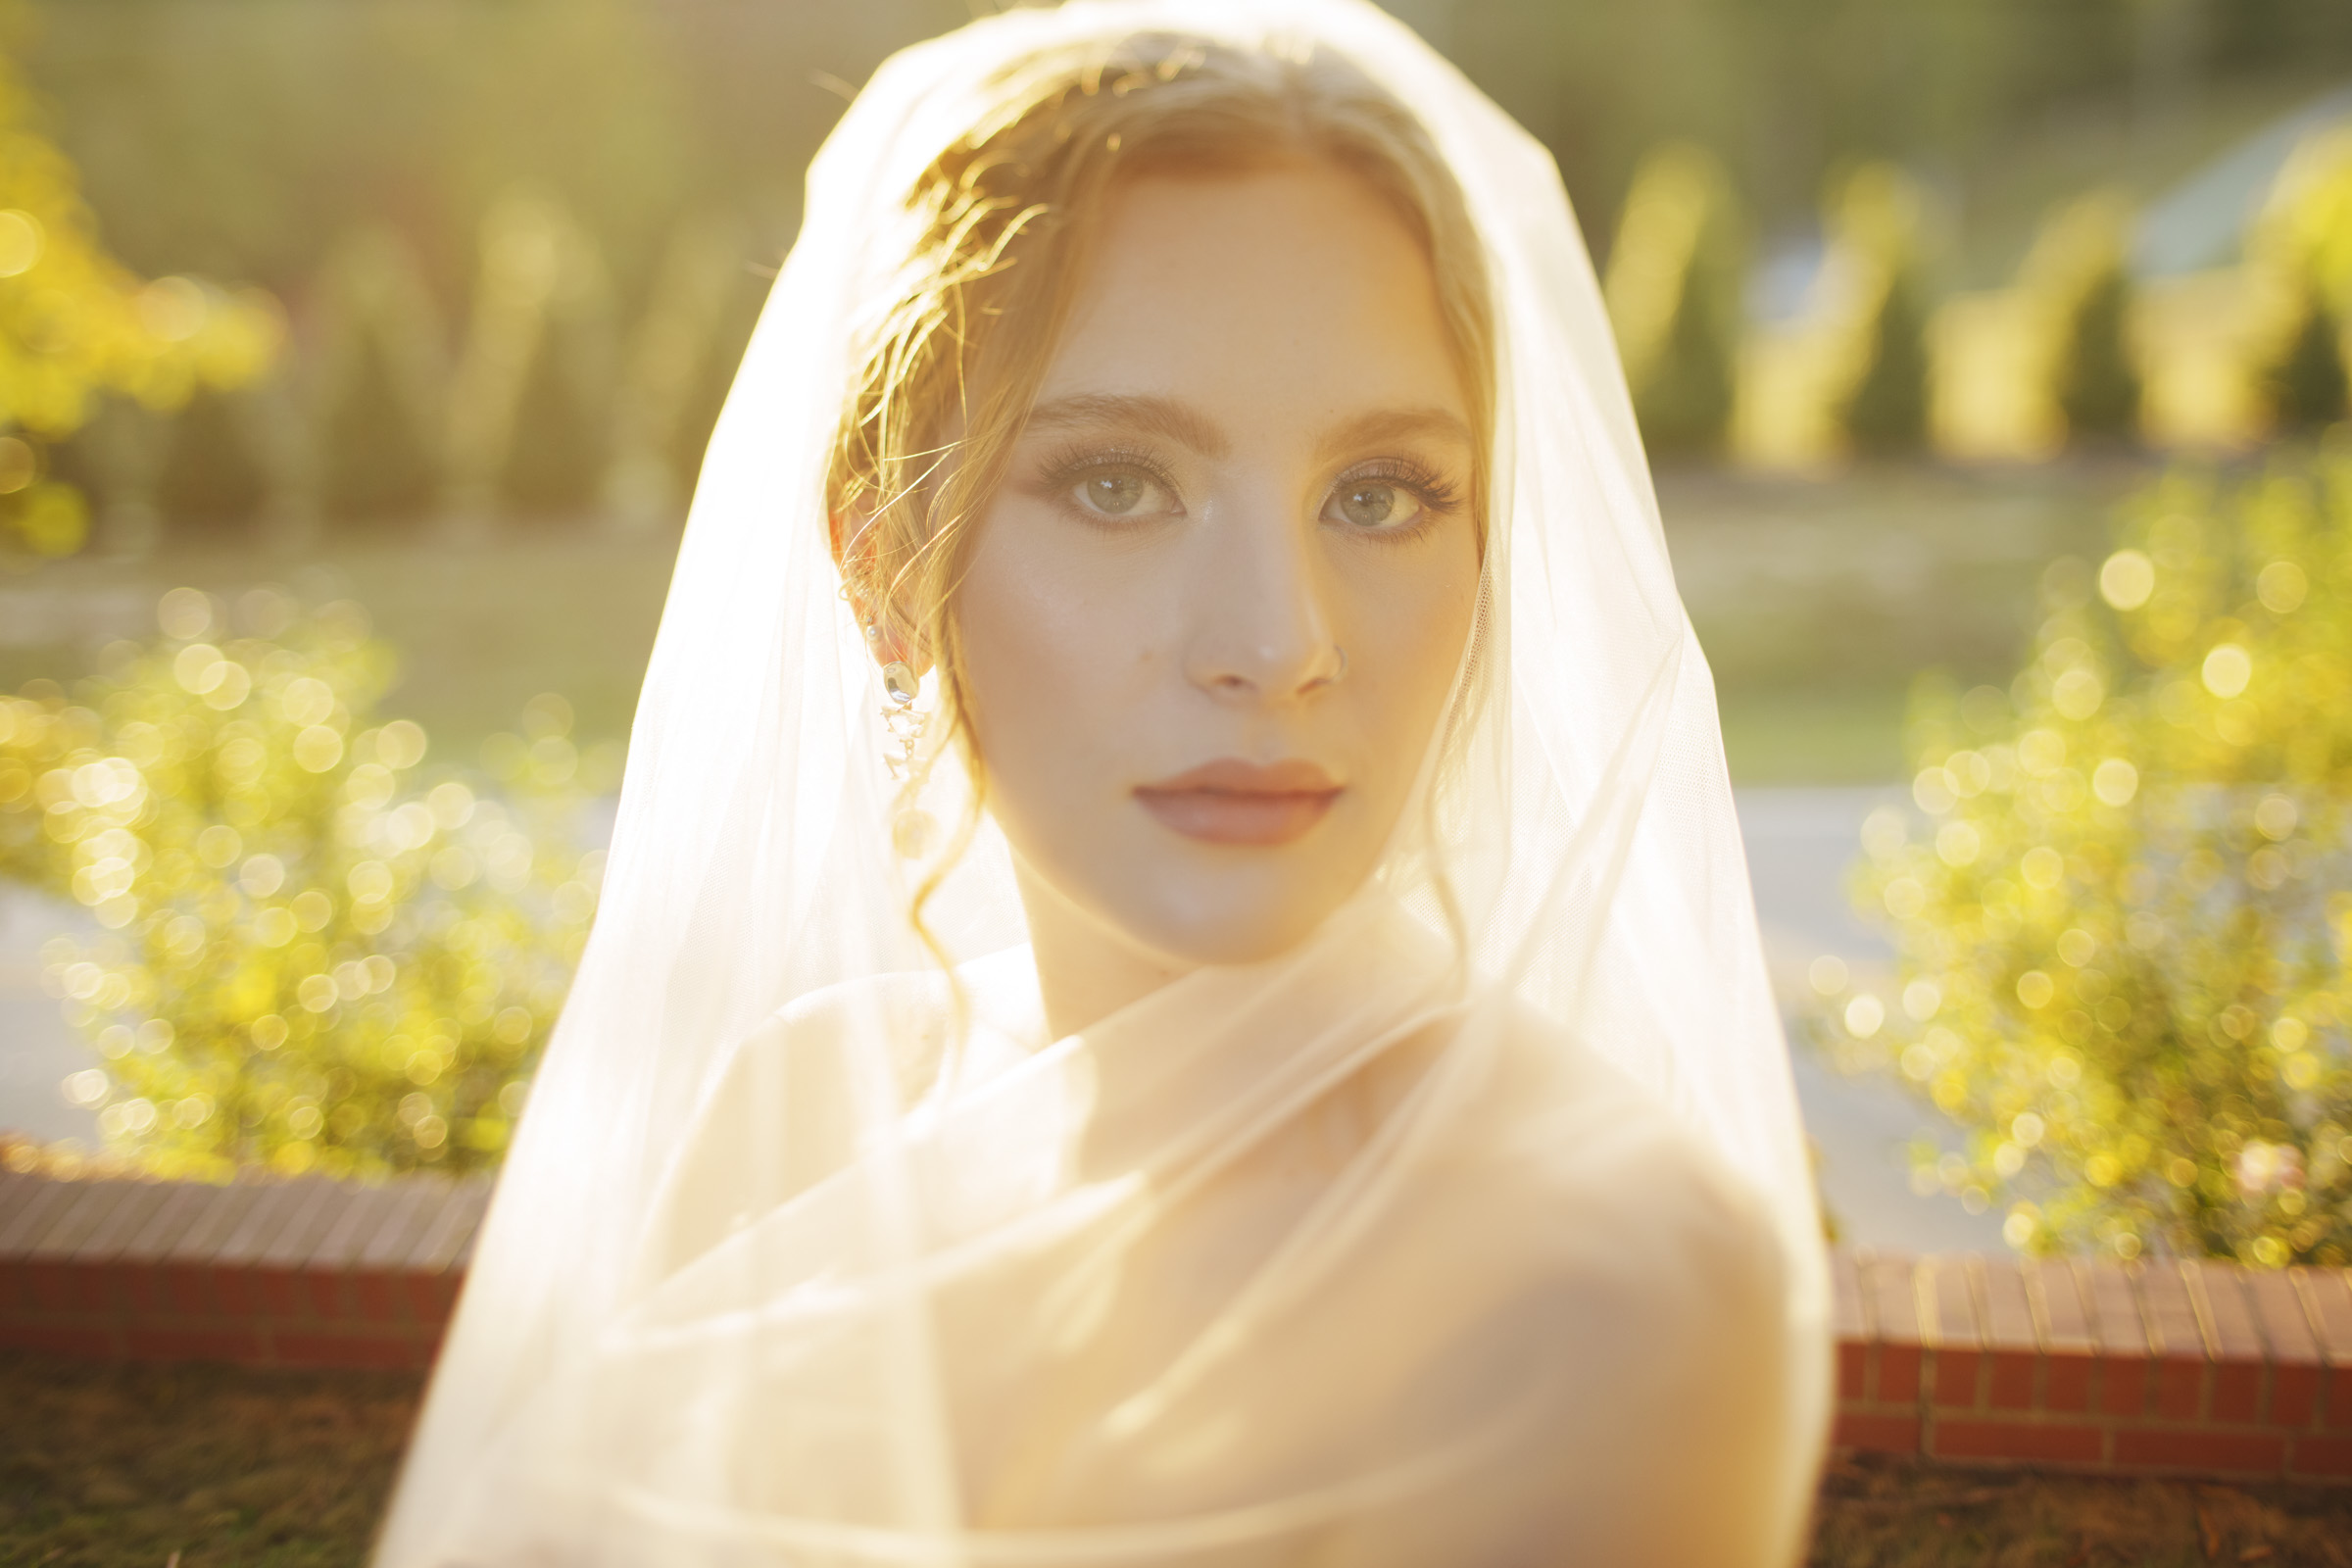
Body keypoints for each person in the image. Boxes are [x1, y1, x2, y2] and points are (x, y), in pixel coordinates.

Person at [375, 3, 1830, 1563]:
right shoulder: (789, 1116)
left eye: (1379, 494)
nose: (1278, 646)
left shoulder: (1600, 1289)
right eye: (1118, 484)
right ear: (885, 561)